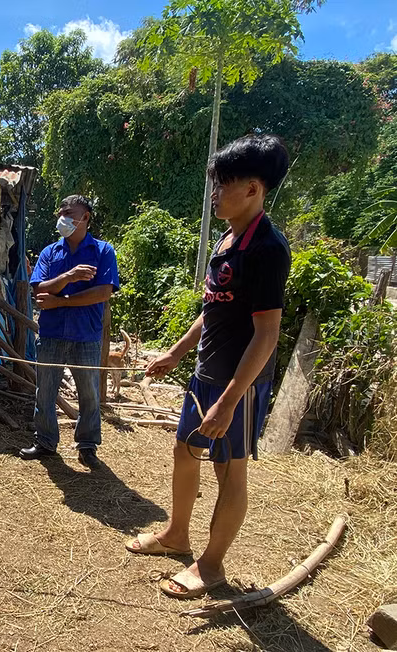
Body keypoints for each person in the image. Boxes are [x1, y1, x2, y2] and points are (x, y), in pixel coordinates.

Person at [125, 134, 292, 600]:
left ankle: (212, 566)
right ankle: (177, 535)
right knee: (184, 451)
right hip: (206, 376)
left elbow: (266, 333)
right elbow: (213, 309)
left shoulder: (267, 249)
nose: (215, 194)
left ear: (254, 189)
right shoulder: (228, 238)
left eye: (224, 184)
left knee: (229, 472)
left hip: (238, 385)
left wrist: (230, 399)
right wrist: (176, 353)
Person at [20, 195, 119, 468]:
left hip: (86, 336)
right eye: (61, 212)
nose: (63, 217)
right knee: (45, 391)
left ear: (85, 217)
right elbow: (39, 290)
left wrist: (60, 300)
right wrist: (68, 277)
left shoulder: (103, 251)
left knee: (89, 393)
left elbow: (103, 292)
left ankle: (87, 446)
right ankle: (45, 442)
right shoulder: (50, 252)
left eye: (69, 212)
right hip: (51, 334)